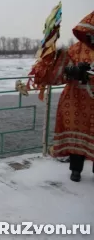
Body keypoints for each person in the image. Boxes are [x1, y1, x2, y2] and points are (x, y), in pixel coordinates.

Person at [31, 11, 94, 182]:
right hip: (76, 101)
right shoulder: (75, 50)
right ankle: (76, 170)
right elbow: (56, 75)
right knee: (75, 135)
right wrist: (72, 72)